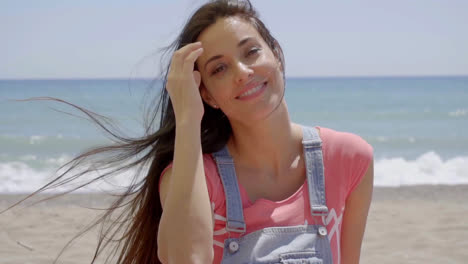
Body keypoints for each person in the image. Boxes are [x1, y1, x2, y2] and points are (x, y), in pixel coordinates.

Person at [11, 1, 373, 263]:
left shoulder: (349, 159)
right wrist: (187, 119)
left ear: (276, 54)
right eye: (219, 69)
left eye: (251, 52)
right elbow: (186, 258)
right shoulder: (194, 179)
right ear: (206, 95)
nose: (243, 72)